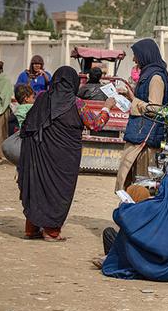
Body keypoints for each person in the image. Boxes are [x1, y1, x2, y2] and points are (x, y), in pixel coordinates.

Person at [18, 66, 115, 241]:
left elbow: (28, 126)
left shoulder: (42, 99)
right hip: (65, 159)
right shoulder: (77, 104)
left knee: (38, 186)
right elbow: (96, 124)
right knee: (58, 191)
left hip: (39, 155)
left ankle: (31, 229)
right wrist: (107, 107)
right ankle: (51, 231)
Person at [115, 39, 168, 192]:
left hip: (146, 139)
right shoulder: (148, 74)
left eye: (136, 55)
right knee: (133, 181)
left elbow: (155, 109)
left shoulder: (155, 78)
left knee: (142, 184)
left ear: (145, 55)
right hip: (140, 134)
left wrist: (133, 99)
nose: (134, 60)